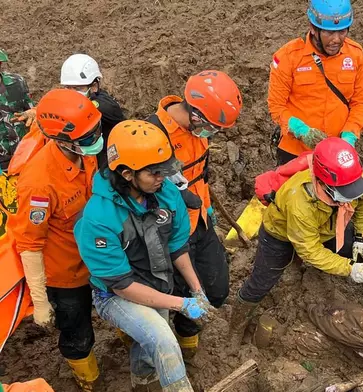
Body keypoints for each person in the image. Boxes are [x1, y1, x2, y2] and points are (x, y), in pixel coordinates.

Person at [74, 120, 215, 391]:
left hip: (157, 281)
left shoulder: (166, 193)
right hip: (114, 295)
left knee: (151, 336)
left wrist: (197, 290)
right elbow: (122, 285)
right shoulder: (98, 219)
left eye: (164, 171)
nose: (163, 178)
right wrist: (181, 304)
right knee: (163, 339)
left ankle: (141, 381)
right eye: (155, 173)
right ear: (128, 174)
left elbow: (176, 245)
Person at [229, 137, 363, 349]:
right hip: (281, 234)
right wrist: (348, 268)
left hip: (330, 226)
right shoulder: (300, 201)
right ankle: (235, 330)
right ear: (323, 182)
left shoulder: (353, 179)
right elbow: (311, 251)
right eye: (345, 192)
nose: (351, 195)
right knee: (261, 282)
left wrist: (359, 237)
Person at [10, 89, 103, 391]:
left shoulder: (82, 153)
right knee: (78, 331)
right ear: (63, 141)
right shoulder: (39, 183)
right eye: (88, 138)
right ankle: (88, 379)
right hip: (66, 275)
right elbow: (30, 243)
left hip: (99, 255)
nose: (96, 141)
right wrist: (40, 300)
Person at [146, 70, 240, 358]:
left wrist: (208, 209)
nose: (213, 134)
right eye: (213, 127)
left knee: (216, 290)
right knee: (173, 293)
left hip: (199, 221)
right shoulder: (152, 135)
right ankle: (158, 345)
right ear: (196, 114)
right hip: (166, 232)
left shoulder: (198, 132)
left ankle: (188, 340)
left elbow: (202, 173)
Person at [268, 0, 363, 164]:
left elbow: (361, 102)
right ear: (313, 28)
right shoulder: (288, 56)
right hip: (295, 152)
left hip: (337, 152)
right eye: (329, 33)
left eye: (342, 31)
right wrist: (300, 130)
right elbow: (276, 106)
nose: (336, 39)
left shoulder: (355, 55)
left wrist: (350, 135)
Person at [60, 53, 126, 167]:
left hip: (110, 159)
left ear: (94, 86)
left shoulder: (104, 106)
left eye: (77, 88)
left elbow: (77, 112)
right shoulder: (86, 99)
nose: (71, 92)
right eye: (67, 87)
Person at [0, 49, 34, 239]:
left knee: (24, 216)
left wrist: (34, 113)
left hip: (22, 162)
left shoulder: (16, 84)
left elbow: (31, 110)